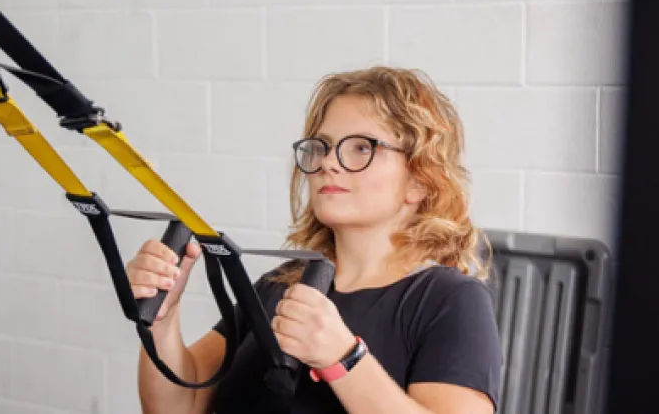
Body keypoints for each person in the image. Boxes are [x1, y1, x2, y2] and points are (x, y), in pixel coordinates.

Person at [127, 66, 503, 414]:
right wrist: (162, 319)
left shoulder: (450, 301)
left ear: (420, 180)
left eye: (361, 147)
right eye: (321, 146)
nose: (328, 163)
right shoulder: (281, 286)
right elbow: (180, 404)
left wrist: (344, 359)